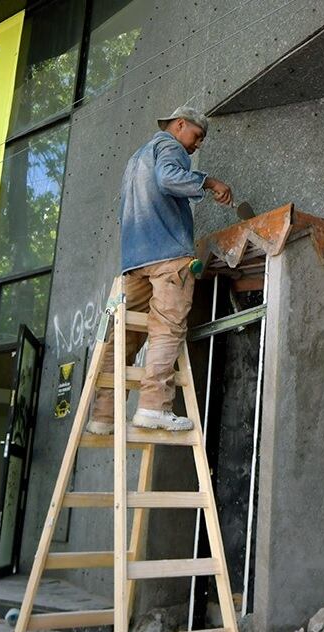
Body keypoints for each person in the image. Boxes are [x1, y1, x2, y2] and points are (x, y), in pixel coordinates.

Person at [86, 107, 233, 433]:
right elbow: (168, 179)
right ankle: (154, 407)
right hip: (167, 255)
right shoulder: (170, 147)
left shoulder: (136, 158)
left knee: (126, 337)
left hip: (134, 262)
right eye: (197, 137)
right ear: (180, 125)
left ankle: (103, 415)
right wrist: (208, 181)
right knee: (167, 327)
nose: (196, 147)